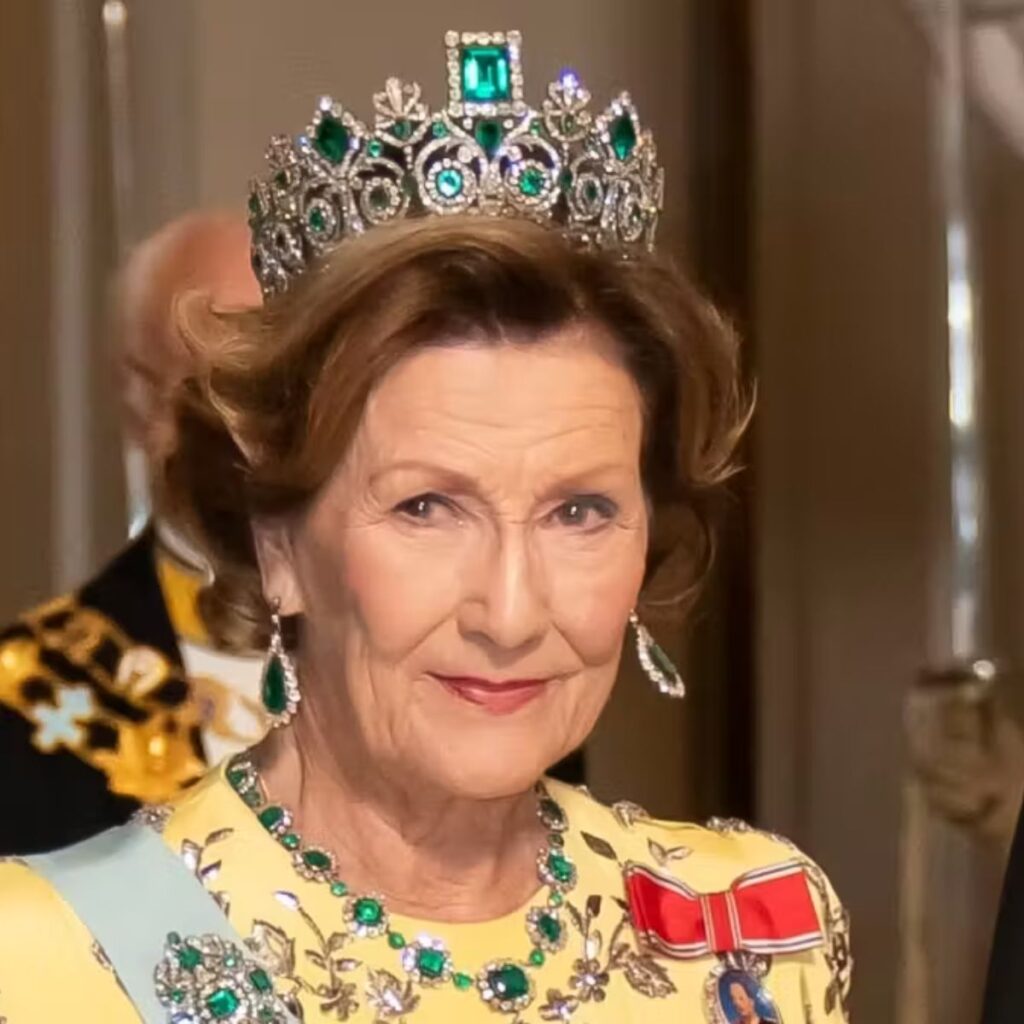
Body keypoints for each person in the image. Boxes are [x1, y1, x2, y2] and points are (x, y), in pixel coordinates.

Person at [0, 32, 851, 1023]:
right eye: (426, 508)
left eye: (580, 512)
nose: (511, 612)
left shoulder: (757, 932)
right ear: (279, 544)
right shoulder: (52, 955)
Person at [0, 212, 268, 856]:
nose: (256, 423)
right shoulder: (24, 699)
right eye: (216, 384)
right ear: (140, 399)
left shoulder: (422, 641)